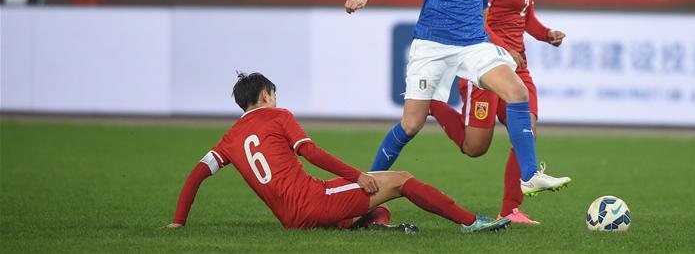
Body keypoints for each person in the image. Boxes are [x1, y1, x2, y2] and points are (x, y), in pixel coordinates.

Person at [345, 0, 570, 196]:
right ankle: (369, 184)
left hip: (473, 45)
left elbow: (482, 6)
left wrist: (493, 40)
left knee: (517, 91)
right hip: (431, 45)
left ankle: (529, 175)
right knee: (411, 124)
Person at [168, 72, 510, 233]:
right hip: (313, 202)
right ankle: (471, 223)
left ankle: (368, 226)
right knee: (400, 180)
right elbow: (311, 152)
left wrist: (178, 221)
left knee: (372, 195)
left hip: (290, 218)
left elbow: (197, 174)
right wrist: (356, 175)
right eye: (274, 94)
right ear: (268, 95)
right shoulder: (279, 115)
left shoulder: (230, 138)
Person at [429, 0, 566, 225]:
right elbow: (477, 17)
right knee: (475, 147)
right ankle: (431, 104)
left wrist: (546, 35)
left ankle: (511, 210)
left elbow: (527, 17)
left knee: (526, 129)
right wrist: (501, 48)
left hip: (518, 67)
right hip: (486, 66)